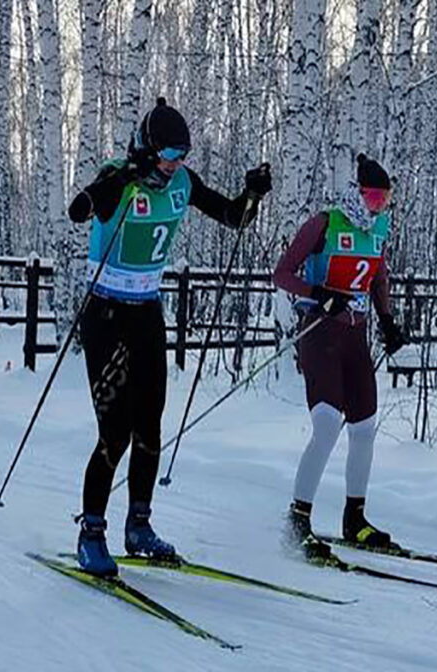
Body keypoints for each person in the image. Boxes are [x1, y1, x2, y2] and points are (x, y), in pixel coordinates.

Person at [66, 97, 272, 576]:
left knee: (151, 427)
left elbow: (233, 216)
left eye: (182, 158)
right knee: (113, 431)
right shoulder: (119, 175)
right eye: (169, 156)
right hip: (107, 315)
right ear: (146, 148)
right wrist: (120, 178)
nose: (176, 166)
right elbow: (84, 208)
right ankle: (90, 531)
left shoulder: (181, 182)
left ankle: (139, 525)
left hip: (147, 314)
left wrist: (253, 194)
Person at [273, 153, 407, 561]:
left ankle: (355, 517)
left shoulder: (379, 227)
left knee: (364, 427)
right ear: (356, 193)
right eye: (372, 197)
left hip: (356, 337)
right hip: (320, 334)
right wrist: (319, 294)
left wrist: (387, 319)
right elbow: (282, 273)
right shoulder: (325, 224)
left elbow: (378, 272)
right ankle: (297, 519)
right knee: (328, 424)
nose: (378, 206)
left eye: (384, 199)